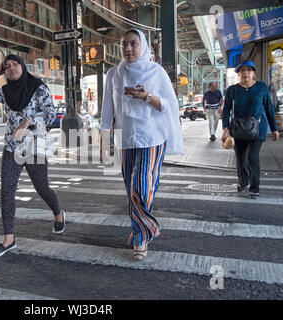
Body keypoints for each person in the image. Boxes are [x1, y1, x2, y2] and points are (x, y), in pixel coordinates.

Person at [101, 29, 183, 260]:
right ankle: (143, 231)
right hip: (125, 139)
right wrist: (103, 140)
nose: (128, 49)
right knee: (131, 191)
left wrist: (147, 97)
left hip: (152, 137)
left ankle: (141, 236)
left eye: (133, 44)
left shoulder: (156, 72)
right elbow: (107, 109)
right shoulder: (114, 74)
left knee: (141, 186)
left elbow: (169, 105)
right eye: (124, 44)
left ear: (143, 46)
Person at [0, 54, 65, 258]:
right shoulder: (6, 91)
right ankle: (9, 239)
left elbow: (50, 114)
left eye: (15, 64)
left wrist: (28, 121)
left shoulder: (38, 87)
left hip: (35, 146)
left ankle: (58, 213)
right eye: (7, 67)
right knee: (7, 190)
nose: (11, 69)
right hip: (12, 147)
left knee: (42, 188)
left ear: (23, 66)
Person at [221, 60, 279, 199]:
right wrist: (225, 128)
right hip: (238, 129)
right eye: (242, 70)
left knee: (252, 158)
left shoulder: (261, 87)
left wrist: (274, 128)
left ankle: (254, 188)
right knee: (240, 159)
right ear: (238, 74)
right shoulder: (232, 90)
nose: (245, 73)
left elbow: (269, 108)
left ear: (253, 73)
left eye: (248, 70)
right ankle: (243, 182)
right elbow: (226, 110)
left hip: (258, 129)